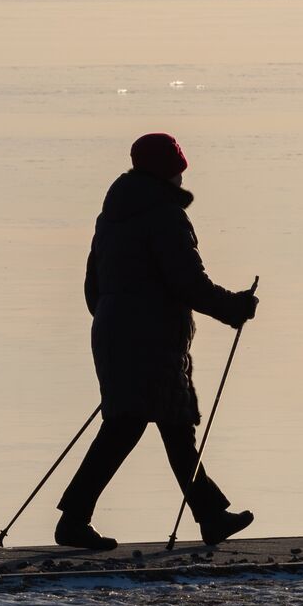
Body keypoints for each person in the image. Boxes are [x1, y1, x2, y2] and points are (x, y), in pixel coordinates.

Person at [55, 133, 260, 551]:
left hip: (117, 331)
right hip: (149, 336)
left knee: (171, 423)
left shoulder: (111, 217)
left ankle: (210, 515)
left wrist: (117, 325)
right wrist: (234, 308)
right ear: (171, 171)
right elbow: (187, 282)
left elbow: (93, 286)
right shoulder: (164, 215)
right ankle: (73, 519)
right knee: (128, 425)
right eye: (179, 170)